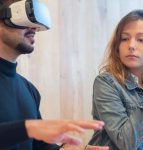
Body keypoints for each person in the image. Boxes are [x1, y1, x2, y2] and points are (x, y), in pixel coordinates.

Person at [0, 0, 110, 150]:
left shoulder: (29, 90)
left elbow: (38, 144)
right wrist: (28, 128)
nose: (34, 27)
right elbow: (29, 131)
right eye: (24, 15)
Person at [88, 9, 143, 150]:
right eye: (124, 38)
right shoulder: (106, 82)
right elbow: (125, 143)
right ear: (117, 46)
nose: (131, 46)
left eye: (141, 39)